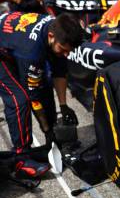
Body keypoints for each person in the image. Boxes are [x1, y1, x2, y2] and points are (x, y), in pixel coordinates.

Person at [0, 12, 83, 176]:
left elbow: (59, 71)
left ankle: (51, 139)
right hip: (5, 49)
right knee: (20, 99)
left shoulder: (59, 29)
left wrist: (63, 105)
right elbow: (34, 97)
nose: (66, 54)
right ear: (51, 37)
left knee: (44, 83)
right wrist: (46, 129)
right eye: (63, 49)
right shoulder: (31, 52)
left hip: (13, 40)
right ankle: (21, 158)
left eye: (69, 51)